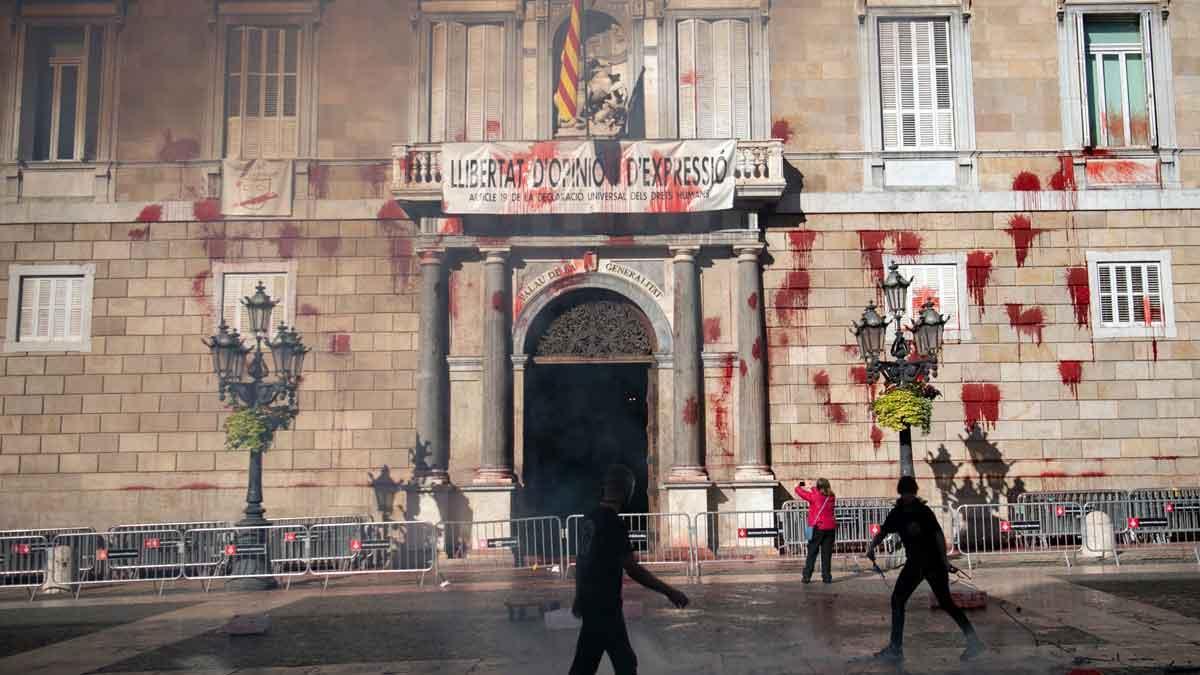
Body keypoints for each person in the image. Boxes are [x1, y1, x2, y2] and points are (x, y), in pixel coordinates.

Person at [571, 464, 689, 675]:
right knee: (624, 663)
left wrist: (579, 596)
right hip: (606, 606)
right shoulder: (613, 523)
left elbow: (582, 562)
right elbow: (633, 569)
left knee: (587, 663)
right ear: (627, 490)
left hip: (592, 603)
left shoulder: (590, 518)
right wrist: (670, 591)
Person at [867, 476, 985, 663]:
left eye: (909, 493)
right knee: (910, 601)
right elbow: (883, 532)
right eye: (906, 493)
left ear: (913, 492)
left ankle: (896, 649)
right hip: (924, 562)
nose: (907, 496)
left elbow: (938, 535)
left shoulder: (920, 511)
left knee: (908, 600)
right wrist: (871, 547)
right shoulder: (900, 513)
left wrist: (944, 560)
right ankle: (974, 641)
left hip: (926, 563)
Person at [794, 478, 837, 584]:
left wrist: (798, 486)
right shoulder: (832, 496)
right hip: (830, 528)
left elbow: (800, 492)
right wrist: (811, 487)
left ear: (818, 487)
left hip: (816, 528)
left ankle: (807, 576)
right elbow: (819, 494)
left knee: (812, 552)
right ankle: (827, 577)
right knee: (826, 554)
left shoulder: (815, 496)